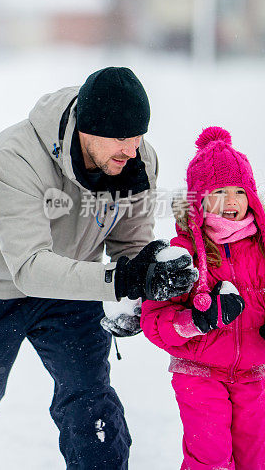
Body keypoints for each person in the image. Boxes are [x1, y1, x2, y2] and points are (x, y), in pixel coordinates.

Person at [0, 67, 199, 469]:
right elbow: (30, 267)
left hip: (72, 288)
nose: (130, 150)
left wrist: (142, 284)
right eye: (118, 139)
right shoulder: (18, 155)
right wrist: (121, 279)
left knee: (92, 415)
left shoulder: (137, 160)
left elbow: (130, 246)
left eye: (137, 136)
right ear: (85, 129)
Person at [141, 127, 265, 469]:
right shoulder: (182, 254)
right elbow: (153, 323)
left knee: (255, 458)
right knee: (210, 457)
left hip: (254, 376)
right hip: (200, 373)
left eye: (240, 191)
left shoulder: (262, 248)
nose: (231, 201)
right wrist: (194, 322)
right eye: (220, 191)